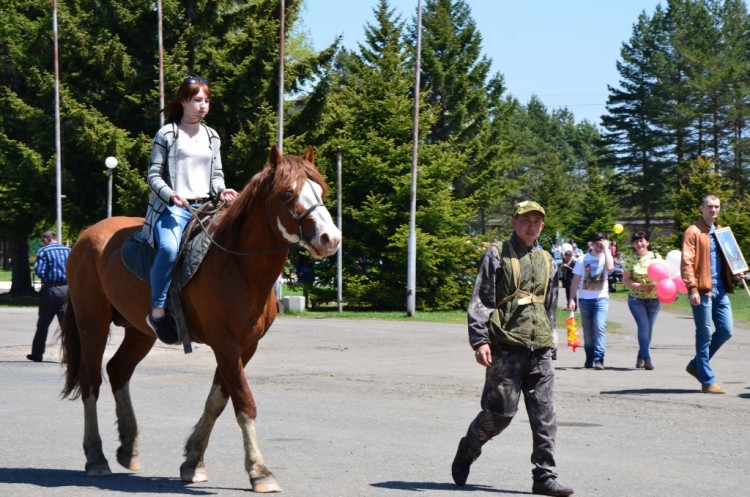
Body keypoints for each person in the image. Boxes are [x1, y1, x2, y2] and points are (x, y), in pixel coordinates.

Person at [451, 201, 573, 497]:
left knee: (545, 413)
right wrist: (480, 340)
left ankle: (544, 475)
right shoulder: (497, 254)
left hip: (539, 347)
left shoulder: (548, 259)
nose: (531, 226)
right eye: (526, 220)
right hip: (506, 345)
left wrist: (552, 340)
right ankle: (469, 446)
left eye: (537, 222)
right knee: (500, 413)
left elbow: (549, 303)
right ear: (514, 222)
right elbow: (481, 299)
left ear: (542, 226)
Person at [138, 76, 239, 340]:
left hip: (207, 206)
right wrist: (171, 195)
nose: (203, 105)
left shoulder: (212, 135)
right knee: (169, 248)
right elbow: (153, 175)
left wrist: (222, 190)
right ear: (183, 101)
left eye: (206, 100)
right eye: (197, 100)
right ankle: (158, 310)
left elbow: (216, 174)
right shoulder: (167, 134)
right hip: (173, 209)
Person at [680, 194, 744, 394]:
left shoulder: (722, 232)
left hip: (721, 290)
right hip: (702, 289)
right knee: (705, 333)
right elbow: (687, 262)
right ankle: (707, 380)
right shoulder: (693, 231)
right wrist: (692, 288)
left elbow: (727, 259)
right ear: (701, 208)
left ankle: (695, 365)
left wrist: (735, 271)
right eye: (710, 206)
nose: (714, 210)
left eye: (717, 207)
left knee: (726, 330)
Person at [568, 233, 614, 370]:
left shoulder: (606, 257)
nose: (599, 248)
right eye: (597, 244)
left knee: (600, 327)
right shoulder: (583, 259)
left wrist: (607, 248)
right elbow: (575, 280)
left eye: (603, 245)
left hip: (601, 298)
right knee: (588, 331)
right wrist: (571, 298)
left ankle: (599, 358)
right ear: (592, 244)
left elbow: (610, 268)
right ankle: (589, 355)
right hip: (585, 299)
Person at [27, 231, 71, 362]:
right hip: (67, 289)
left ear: (46, 239)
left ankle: (37, 353)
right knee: (67, 326)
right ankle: (71, 354)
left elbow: (40, 271)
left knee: (43, 324)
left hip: (51, 289)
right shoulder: (69, 250)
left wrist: (48, 279)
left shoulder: (43, 251)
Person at [622, 231, 662, 370]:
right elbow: (626, 281)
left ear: (647, 242)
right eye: (636, 242)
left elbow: (664, 277)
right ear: (633, 244)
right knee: (643, 327)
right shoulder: (629, 259)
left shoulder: (656, 257)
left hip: (654, 299)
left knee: (648, 330)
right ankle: (647, 359)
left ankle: (640, 356)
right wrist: (642, 287)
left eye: (642, 241)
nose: (639, 244)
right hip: (636, 299)